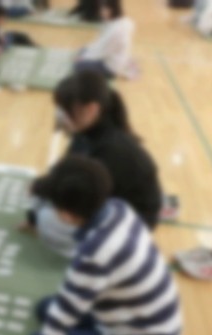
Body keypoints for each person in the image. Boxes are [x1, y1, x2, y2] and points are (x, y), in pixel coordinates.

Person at [23, 156, 182, 335]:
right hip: (147, 323)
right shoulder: (118, 207)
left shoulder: (95, 254)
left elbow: (63, 317)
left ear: (66, 215)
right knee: (45, 308)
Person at [23, 70, 163, 258]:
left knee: (48, 219)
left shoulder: (111, 149)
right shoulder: (87, 132)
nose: (60, 115)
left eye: (65, 109)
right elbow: (66, 170)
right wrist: (41, 191)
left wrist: (43, 206)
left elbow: (82, 197)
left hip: (131, 225)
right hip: (110, 202)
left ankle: (92, 255)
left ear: (90, 109)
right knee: (41, 197)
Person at [74, 0, 137, 79]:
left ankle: (107, 74)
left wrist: (83, 58)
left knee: (79, 66)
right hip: (111, 55)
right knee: (83, 50)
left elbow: (102, 51)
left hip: (110, 66)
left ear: (113, 9)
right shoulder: (123, 20)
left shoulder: (116, 30)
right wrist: (87, 51)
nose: (101, 12)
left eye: (104, 9)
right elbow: (100, 43)